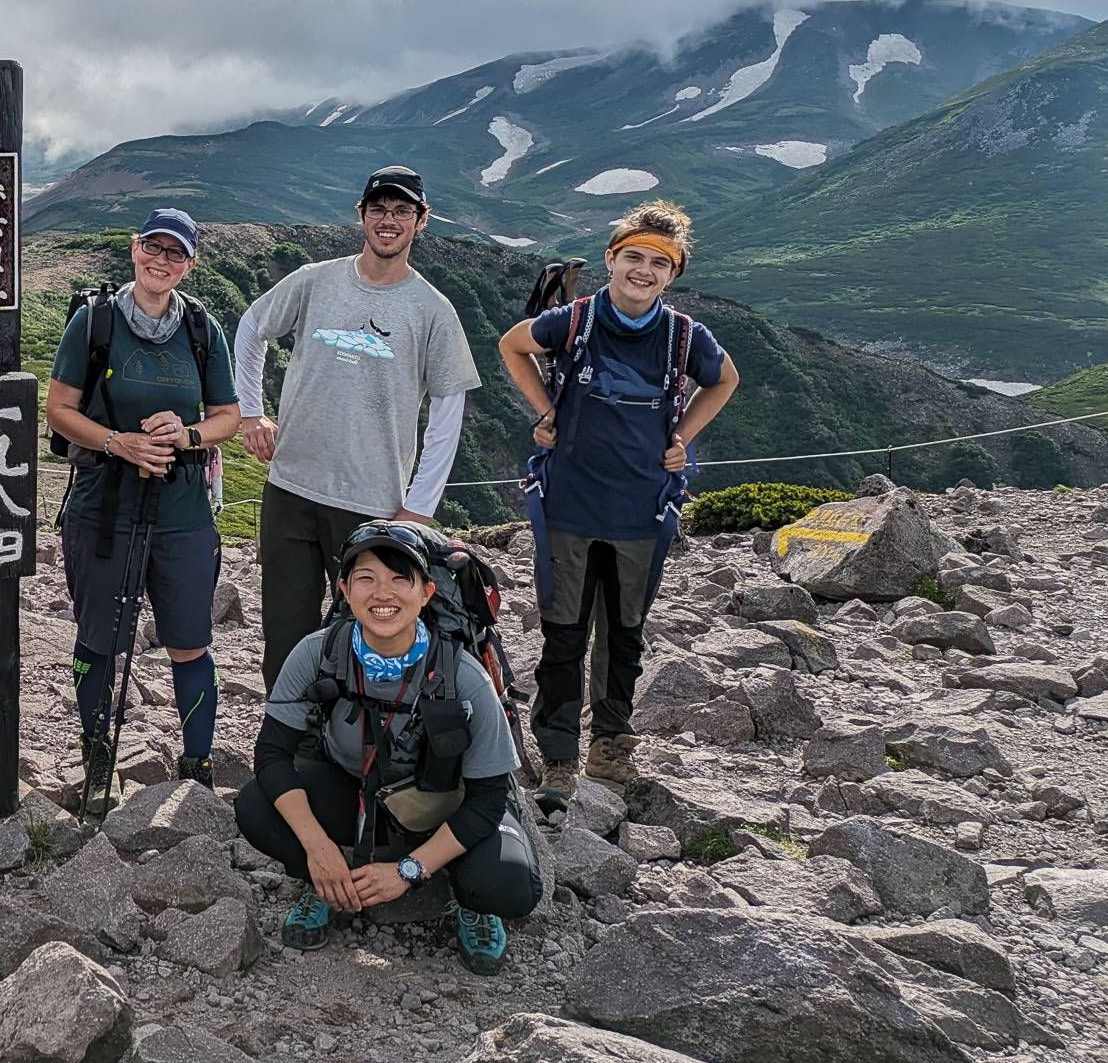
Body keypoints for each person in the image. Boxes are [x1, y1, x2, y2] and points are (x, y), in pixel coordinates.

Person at [498, 200, 738, 804]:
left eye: (660, 263)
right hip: (571, 503)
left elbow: (724, 379)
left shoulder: (685, 335)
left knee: (624, 631)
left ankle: (609, 746)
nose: (644, 270)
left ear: (673, 275)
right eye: (634, 257)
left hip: (640, 507)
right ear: (611, 259)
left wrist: (681, 435)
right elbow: (512, 345)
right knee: (564, 631)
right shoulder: (576, 319)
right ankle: (558, 756)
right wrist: (545, 410)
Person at [235, 521, 543, 977]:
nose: (384, 593)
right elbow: (272, 756)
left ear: (426, 592)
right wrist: (319, 849)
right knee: (256, 806)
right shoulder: (317, 654)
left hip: (446, 801)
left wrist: (408, 871)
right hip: (358, 791)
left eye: (401, 578)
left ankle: (465, 899)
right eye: (366, 578)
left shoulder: (463, 675)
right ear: (343, 588)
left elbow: (488, 797)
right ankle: (328, 881)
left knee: (507, 886)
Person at [234, 165, 482, 689]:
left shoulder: (433, 310)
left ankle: (358, 748)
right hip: (292, 489)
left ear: (421, 221)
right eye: (378, 209)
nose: (388, 221)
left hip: (373, 503)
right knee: (285, 633)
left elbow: (448, 408)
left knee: (371, 633)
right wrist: (251, 411)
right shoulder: (314, 280)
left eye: (401, 212)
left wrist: (420, 508)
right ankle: (286, 745)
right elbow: (253, 327)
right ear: (361, 215)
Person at [44, 209, 240, 801]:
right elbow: (58, 410)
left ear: (190, 264)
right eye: (153, 248)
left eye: (175, 254)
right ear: (134, 249)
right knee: (99, 637)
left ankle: (197, 766)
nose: (161, 261)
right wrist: (117, 442)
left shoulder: (203, 330)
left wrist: (186, 435)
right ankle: (97, 757)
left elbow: (228, 416)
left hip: (182, 511)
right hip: (103, 506)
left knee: (189, 639)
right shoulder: (94, 322)